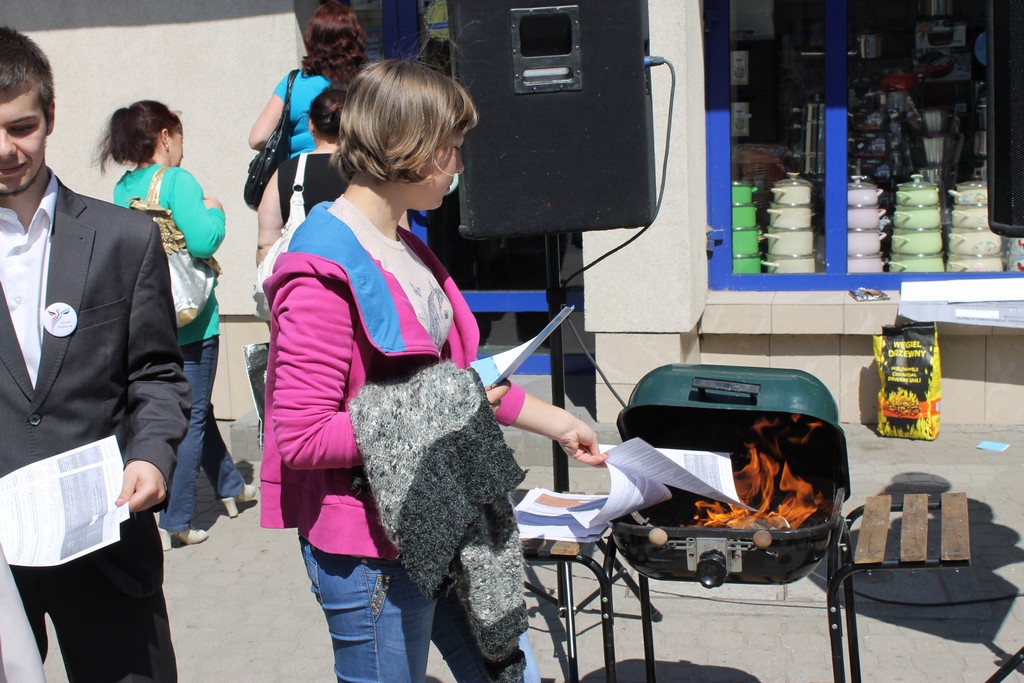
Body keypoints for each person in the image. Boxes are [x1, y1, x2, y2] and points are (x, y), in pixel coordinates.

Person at [260, 58, 607, 683]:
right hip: (370, 547)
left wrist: (555, 421)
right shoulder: (319, 269)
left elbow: (456, 380)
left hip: (446, 511)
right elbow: (304, 437)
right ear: (410, 148)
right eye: (452, 148)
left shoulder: (402, 243)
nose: (459, 166)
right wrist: (448, 409)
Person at [0, 26, 190, 680]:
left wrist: (152, 454)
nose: (5, 149)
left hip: (106, 537)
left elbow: (157, 374)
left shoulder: (123, 238)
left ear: (50, 117)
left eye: (21, 127)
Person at [98, 100, 257, 549]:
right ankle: (176, 519)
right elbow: (204, 240)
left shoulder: (125, 188)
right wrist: (217, 210)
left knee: (195, 409)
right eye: (180, 137)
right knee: (192, 416)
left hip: (150, 319)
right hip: (193, 320)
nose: (182, 148)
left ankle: (230, 487)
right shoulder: (178, 181)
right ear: (165, 136)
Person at [248, 1, 367, 158]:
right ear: (355, 40)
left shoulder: (294, 82)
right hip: (351, 169)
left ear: (311, 39)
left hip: (299, 170)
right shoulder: (363, 83)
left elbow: (257, 139)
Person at [257, 87, 348, 265]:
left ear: (311, 125)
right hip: (355, 275)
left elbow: (265, 244)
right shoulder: (368, 172)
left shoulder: (286, 172)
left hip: (303, 276)